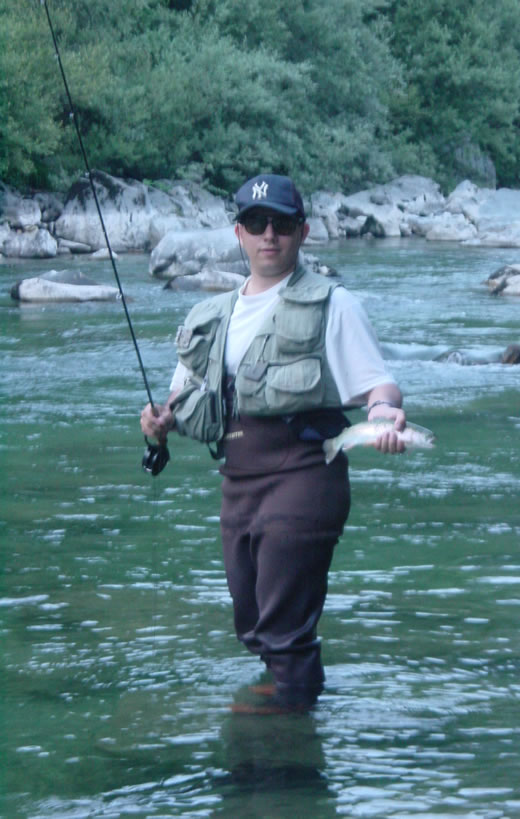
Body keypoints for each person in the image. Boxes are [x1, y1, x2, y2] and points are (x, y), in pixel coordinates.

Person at [140, 174, 406, 712]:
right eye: (257, 223)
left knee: (285, 627)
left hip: (305, 475)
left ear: (302, 232)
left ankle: (286, 738)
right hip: (238, 481)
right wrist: (158, 423)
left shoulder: (334, 304)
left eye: (282, 224)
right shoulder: (208, 315)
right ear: (238, 232)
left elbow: (379, 386)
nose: (269, 235)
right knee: (254, 624)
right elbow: (180, 399)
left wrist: (384, 416)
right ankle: (289, 708)